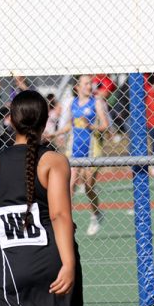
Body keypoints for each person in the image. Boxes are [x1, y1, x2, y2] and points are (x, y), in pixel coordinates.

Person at [0, 90, 83, 306]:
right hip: (50, 261)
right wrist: (68, 264)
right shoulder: (54, 161)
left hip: (10, 266)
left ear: (12, 120)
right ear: (45, 120)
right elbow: (59, 215)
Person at [53, 75, 110, 236]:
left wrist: (91, 126)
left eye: (90, 83)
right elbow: (70, 125)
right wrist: (55, 134)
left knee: (88, 186)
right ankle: (66, 222)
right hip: (75, 150)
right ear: (77, 87)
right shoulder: (72, 104)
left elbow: (105, 125)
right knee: (70, 185)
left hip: (92, 150)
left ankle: (96, 214)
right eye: (86, 84)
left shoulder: (96, 103)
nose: (89, 86)